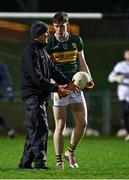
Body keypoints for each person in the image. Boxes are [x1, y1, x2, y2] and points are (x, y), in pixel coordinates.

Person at [18, 20, 78, 170]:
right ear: (38, 34)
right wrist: (57, 89)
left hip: (40, 96)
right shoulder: (30, 53)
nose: (48, 34)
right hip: (33, 96)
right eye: (46, 32)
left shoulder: (42, 51)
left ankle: (25, 164)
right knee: (42, 128)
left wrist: (69, 83)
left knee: (35, 129)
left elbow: (53, 71)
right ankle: (40, 163)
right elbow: (38, 79)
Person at [46, 12, 94, 169]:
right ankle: (59, 160)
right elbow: (47, 69)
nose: (59, 29)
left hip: (76, 86)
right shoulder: (50, 43)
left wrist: (89, 79)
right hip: (60, 89)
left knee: (83, 123)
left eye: (62, 26)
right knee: (60, 125)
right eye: (56, 26)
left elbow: (82, 63)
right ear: (53, 26)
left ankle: (70, 152)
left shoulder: (76, 40)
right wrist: (57, 86)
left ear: (68, 24)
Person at [0, 59, 16, 138]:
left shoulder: (1, 64)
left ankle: (9, 130)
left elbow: (6, 77)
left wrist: (8, 89)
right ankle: (10, 130)